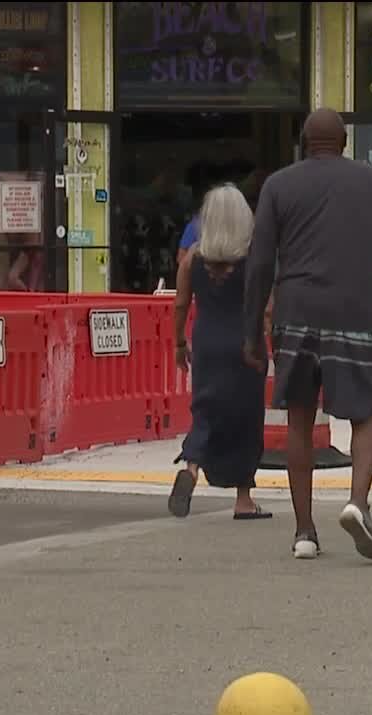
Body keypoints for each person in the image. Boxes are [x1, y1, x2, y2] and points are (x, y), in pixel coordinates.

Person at [243, 108, 372, 561]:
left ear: (304, 142)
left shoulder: (278, 186)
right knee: (366, 415)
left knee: (300, 419)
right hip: (353, 313)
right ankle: (357, 503)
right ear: (344, 142)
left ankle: (304, 531)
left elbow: (260, 263)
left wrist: (250, 335)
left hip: (295, 313)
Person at [168, 184, 271, 521]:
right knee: (246, 419)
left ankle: (193, 467)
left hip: (207, 345)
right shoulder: (254, 258)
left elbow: (180, 304)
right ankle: (244, 499)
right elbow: (266, 307)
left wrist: (179, 344)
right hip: (246, 345)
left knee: (205, 411)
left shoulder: (193, 259)